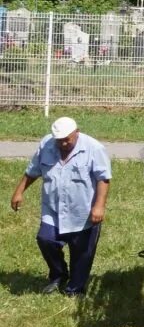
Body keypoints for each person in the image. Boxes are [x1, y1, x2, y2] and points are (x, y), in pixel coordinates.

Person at [9, 116, 111, 297]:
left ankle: (75, 288)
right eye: (59, 140)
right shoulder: (47, 145)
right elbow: (33, 170)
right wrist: (19, 192)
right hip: (53, 209)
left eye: (67, 140)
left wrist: (99, 206)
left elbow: (103, 178)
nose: (63, 144)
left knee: (82, 253)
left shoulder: (93, 148)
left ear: (77, 132)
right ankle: (58, 275)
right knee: (45, 239)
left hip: (83, 211)